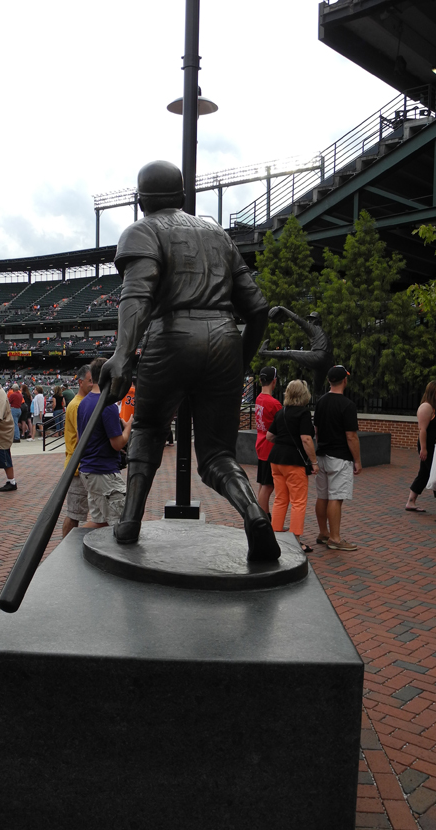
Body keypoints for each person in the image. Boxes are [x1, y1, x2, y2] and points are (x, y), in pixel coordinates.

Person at [98, 159, 278, 561]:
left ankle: (129, 521)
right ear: (181, 195)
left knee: (146, 426)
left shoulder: (143, 230)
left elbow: (137, 295)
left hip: (173, 334)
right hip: (227, 338)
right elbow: (259, 309)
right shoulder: (217, 233)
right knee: (217, 456)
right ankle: (253, 512)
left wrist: (122, 355)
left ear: (141, 200)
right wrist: (239, 363)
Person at [77, 357, 132, 529]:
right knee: (123, 523)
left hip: (89, 469)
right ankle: (71, 548)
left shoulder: (84, 402)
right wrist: (128, 427)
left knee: (100, 522)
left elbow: (83, 439)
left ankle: (72, 547)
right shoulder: (107, 404)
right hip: (104, 472)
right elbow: (117, 444)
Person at [313, 365, 362, 551]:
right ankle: (335, 538)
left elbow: (316, 430)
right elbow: (351, 436)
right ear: (345, 380)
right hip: (340, 457)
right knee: (336, 497)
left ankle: (323, 532)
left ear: (328, 381)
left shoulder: (321, 402)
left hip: (322, 454)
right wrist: (357, 460)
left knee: (322, 496)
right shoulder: (348, 405)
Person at [266, 379, 319, 552]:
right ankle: (295, 540)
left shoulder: (281, 412)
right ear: (304, 394)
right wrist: (314, 462)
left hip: (276, 459)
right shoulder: (303, 413)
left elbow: (269, 436)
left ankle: (275, 534)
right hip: (294, 461)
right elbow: (306, 439)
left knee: (281, 498)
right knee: (298, 501)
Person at [405, 381, 436, 515]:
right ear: (432, 392)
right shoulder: (426, 407)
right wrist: (424, 448)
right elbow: (422, 430)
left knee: (424, 473)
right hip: (428, 445)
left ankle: (411, 501)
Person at [61, 364, 93, 538]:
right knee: (74, 515)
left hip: (81, 465)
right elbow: (83, 439)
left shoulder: (83, 403)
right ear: (80, 382)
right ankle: (65, 546)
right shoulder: (77, 405)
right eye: (90, 381)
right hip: (78, 467)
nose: (93, 384)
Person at [254, 366, 282, 515]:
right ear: (274, 381)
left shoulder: (259, 398)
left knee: (263, 484)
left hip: (260, 443)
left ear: (260, 380)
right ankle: (264, 518)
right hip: (270, 447)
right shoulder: (274, 404)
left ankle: (260, 514)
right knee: (268, 486)